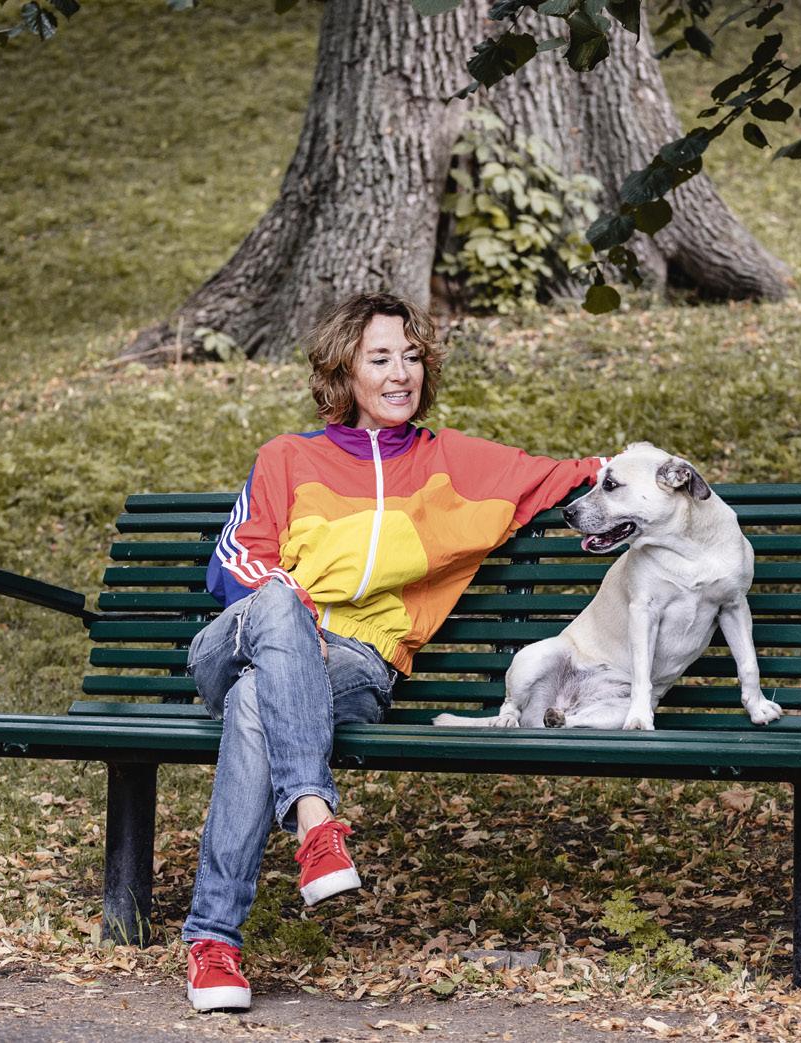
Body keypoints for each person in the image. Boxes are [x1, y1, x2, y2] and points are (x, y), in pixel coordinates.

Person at [182, 292, 606, 1012]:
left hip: (354, 664)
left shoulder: (454, 464)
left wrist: (642, 471)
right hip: (247, 635)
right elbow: (236, 562)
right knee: (279, 609)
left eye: (411, 357)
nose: (400, 373)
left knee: (259, 699)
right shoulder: (287, 457)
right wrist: (293, 620)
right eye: (379, 358)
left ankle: (214, 941)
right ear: (343, 371)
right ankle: (314, 820)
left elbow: (570, 473)